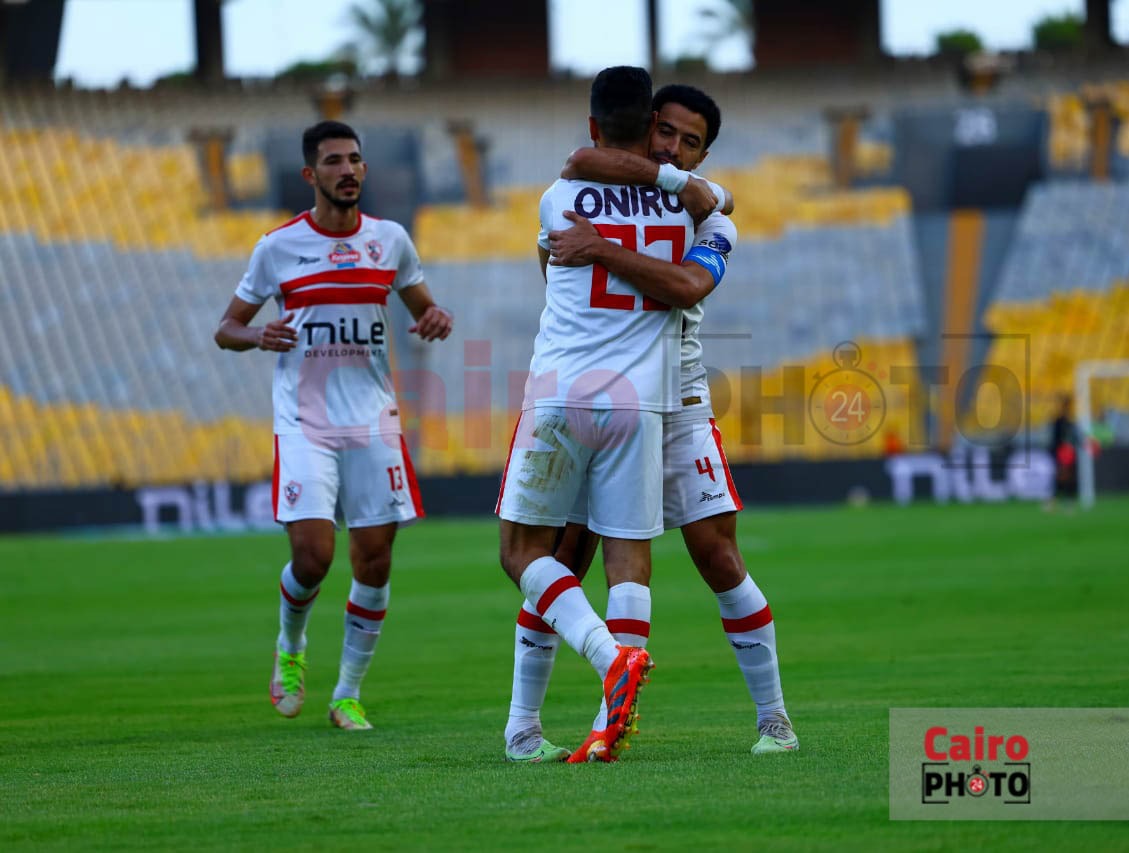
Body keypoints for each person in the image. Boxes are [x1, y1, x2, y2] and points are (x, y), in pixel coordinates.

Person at [503, 84, 797, 762]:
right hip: (629, 394)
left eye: (689, 142)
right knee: (574, 556)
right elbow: (586, 165)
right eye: (664, 130)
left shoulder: (709, 209)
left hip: (679, 402)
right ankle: (536, 723)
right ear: (648, 126)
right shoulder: (646, 183)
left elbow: (688, 285)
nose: (671, 146)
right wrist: (663, 180)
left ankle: (775, 718)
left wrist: (601, 248)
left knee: (715, 555)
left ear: (705, 152)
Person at [214, 120, 453, 731]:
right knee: (315, 555)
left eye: (354, 160)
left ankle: (347, 693)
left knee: (375, 561)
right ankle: (290, 646)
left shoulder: (391, 240)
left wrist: (435, 320)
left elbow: (424, 308)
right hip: (305, 422)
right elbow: (227, 328)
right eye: (333, 162)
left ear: (364, 170)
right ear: (310, 175)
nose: (347, 170)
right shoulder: (278, 247)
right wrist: (257, 334)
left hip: (373, 423)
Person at [1047, 392, 1078, 512]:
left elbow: (1073, 438)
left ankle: (1066, 502)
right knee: (1061, 477)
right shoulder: (1059, 422)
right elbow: (1055, 439)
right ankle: (1054, 501)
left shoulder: (1069, 422)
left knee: (1068, 477)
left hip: (1068, 452)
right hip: (1061, 452)